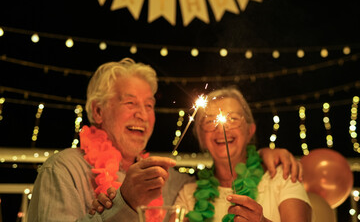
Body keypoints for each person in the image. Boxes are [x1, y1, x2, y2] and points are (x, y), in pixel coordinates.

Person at [27, 58, 303, 222]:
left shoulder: (170, 181)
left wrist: (267, 152)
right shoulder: (63, 171)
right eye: (130, 102)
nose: (143, 114)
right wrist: (123, 203)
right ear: (98, 111)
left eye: (149, 105)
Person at [173, 87, 312, 222]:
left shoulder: (282, 177)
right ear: (201, 137)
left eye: (233, 118)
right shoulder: (188, 194)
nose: (222, 129)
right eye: (210, 121)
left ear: (250, 131)